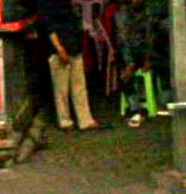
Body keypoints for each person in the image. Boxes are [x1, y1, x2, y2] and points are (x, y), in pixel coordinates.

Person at [39, 0, 102, 132]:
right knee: (62, 89)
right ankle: (66, 121)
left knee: (79, 86)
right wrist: (59, 48)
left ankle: (84, 120)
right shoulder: (49, 5)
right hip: (59, 49)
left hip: (73, 45)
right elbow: (48, 26)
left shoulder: (68, 7)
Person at [114, 0, 169, 127]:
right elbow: (123, 41)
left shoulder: (150, 12)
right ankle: (134, 109)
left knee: (166, 64)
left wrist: (148, 59)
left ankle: (165, 103)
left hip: (147, 52)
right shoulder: (121, 15)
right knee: (123, 72)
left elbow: (151, 38)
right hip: (129, 52)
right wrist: (130, 64)